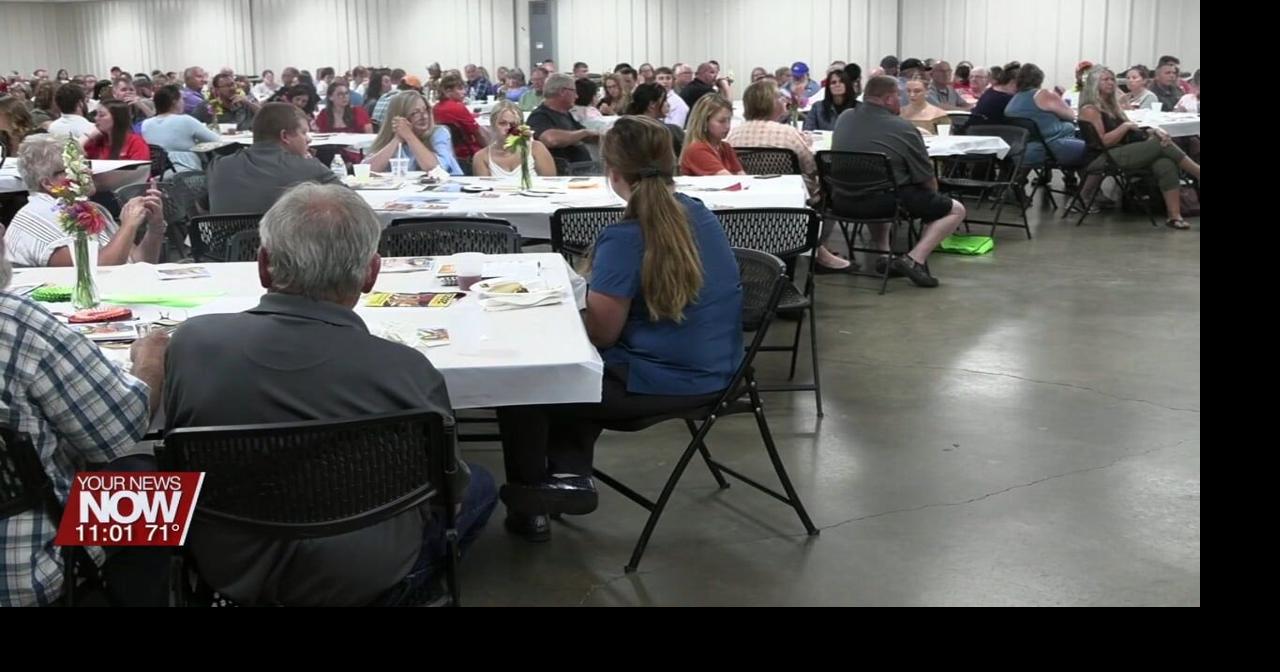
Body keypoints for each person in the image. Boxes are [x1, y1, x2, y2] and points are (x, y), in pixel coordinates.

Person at [164, 183, 496, 604]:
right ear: (372, 274)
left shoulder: (192, 343)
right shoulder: (407, 370)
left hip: (228, 567)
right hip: (365, 576)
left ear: (264, 265)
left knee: (129, 473)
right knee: (481, 483)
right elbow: (449, 495)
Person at [495, 116, 743, 541]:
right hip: (723, 367)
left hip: (664, 379)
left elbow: (601, 334)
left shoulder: (626, 237)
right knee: (577, 371)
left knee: (525, 382)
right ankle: (569, 473)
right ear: (672, 164)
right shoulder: (698, 215)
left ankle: (532, 500)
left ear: (610, 172)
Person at [1, 234, 172, 607]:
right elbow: (119, 430)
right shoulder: (14, 323)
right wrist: (150, 359)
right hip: (27, 568)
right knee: (150, 487)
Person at [831, 76, 965, 287]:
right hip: (886, 202)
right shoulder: (902, 127)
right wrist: (933, 201)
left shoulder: (844, 118)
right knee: (955, 209)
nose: (901, 101)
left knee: (877, 186)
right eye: (898, 96)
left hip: (842, 200)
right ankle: (914, 259)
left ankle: (884, 254)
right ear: (887, 99)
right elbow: (926, 178)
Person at [5, 134, 166, 267]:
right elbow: (96, 273)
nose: (88, 170)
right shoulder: (39, 215)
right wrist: (129, 226)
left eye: (85, 163)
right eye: (75, 167)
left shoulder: (91, 208)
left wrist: (155, 228)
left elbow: (139, 263)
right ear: (48, 183)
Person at [1077, 67, 1201, 230]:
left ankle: (1174, 216)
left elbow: (1135, 130)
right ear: (1094, 84)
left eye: (1112, 79)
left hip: (1122, 151)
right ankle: (1197, 172)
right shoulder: (1090, 109)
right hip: (1102, 157)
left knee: (1165, 162)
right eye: (1105, 79)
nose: (1110, 83)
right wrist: (1125, 126)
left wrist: (1153, 130)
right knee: (1158, 145)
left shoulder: (1112, 105)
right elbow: (1104, 142)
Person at [208, 103, 341, 214]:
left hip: (225, 244)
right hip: (284, 244)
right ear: (285, 136)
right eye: (304, 132)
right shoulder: (310, 169)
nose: (308, 139)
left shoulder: (218, 166)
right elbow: (352, 204)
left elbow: (202, 206)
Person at [1005, 63, 1088, 168]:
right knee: (1095, 152)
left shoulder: (1013, 100)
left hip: (1022, 152)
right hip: (1053, 149)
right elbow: (1071, 115)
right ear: (1039, 79)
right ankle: (1086, 184)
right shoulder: (1044, 94)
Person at [364, 91, 464, 176]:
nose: (424, 116)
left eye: (425, 110)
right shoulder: (393, 138)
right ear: (400, 117)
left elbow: (436, 169)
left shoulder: (439, 133)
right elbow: (367, 171)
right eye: (415, 113)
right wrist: (397, 139)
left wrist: (409, 136)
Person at [141, 84, 220, 173]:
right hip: (186, 171)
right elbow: (216, 140)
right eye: (182, 99)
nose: (184, 102)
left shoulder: (146, 124)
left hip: (157, 172)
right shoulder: (185, 120)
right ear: (175, 102)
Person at [527, 73, 598, 167]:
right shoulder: (539, 116)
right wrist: (584, 133)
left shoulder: (566, 114)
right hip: (562, 172)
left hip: (581, 167)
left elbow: (583, 134)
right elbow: (550, 139)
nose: (576, 96)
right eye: (574, 91)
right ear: (562, 92)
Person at [471, 101, 556, 179]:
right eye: (502, 123)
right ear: (493, 125)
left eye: (514, 124)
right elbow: (483, 191)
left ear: (521, 126)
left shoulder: (537, 149)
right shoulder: (481, 157)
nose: (508, 128)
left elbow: (551, 186)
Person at [679, 94, 742, 176]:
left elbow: (742, 176)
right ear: (704, 122)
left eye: (729, 120)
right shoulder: (696, 150)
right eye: (721, 121)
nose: (728, 126)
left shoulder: (726, 148)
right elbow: (728, 179)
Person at [82, 100, 151, 160]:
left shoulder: (136, 143)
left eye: (101, 115)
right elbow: (78, 161)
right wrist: (87, 137)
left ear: (117, 118)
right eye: (96, 115)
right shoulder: (97, 141)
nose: (96, 118)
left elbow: (139, 171)